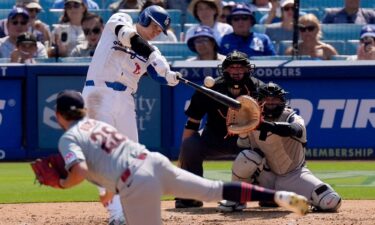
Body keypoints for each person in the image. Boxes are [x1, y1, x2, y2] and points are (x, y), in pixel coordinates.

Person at [52, 89, 309, 225]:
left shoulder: (69, 137)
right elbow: (113, 160)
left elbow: (80, 171)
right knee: (213, 190)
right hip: (152, 162)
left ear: (58, 114)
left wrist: (63, 184)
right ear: (85, 110)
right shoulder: (101, 126)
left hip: (136, 181)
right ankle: (278, 196)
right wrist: (108, 188)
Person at [81, 5, 180, 224]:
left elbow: (158, 75)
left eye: (160, 30)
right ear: (144, 19)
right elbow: (132, 39)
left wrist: (170, 76)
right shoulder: (120, 19)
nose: (156, 32)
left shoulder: (151, 51)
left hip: (125, 99)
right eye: (154, 26)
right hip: (98, 92)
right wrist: (155, 56)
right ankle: (116, 214)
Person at [218, 82, 342, 212]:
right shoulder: (250, 120)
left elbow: (294, 129)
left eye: (275, 98)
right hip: (265, 176)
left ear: (282, 101)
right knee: (246, 157)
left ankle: (275, 198)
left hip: (294, 175)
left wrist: (265, 126)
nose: (270, 102)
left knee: (331, 201)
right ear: (259, 101)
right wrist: (243, 130)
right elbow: (242, 147)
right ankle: (237, 198)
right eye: (266, 98)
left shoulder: (292, 117)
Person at [176, 50, 264, 208]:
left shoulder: (258, 89)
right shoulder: (209, 89)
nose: (236, 71)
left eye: (241, 67)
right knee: (190, 145)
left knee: (266, 149)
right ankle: (190, 195)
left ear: (248, 69)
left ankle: (266, 192)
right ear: (224, 70)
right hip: (214, 137)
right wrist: (183, 158)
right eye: (232, 68)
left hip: (247, 141)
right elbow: (192, 123)